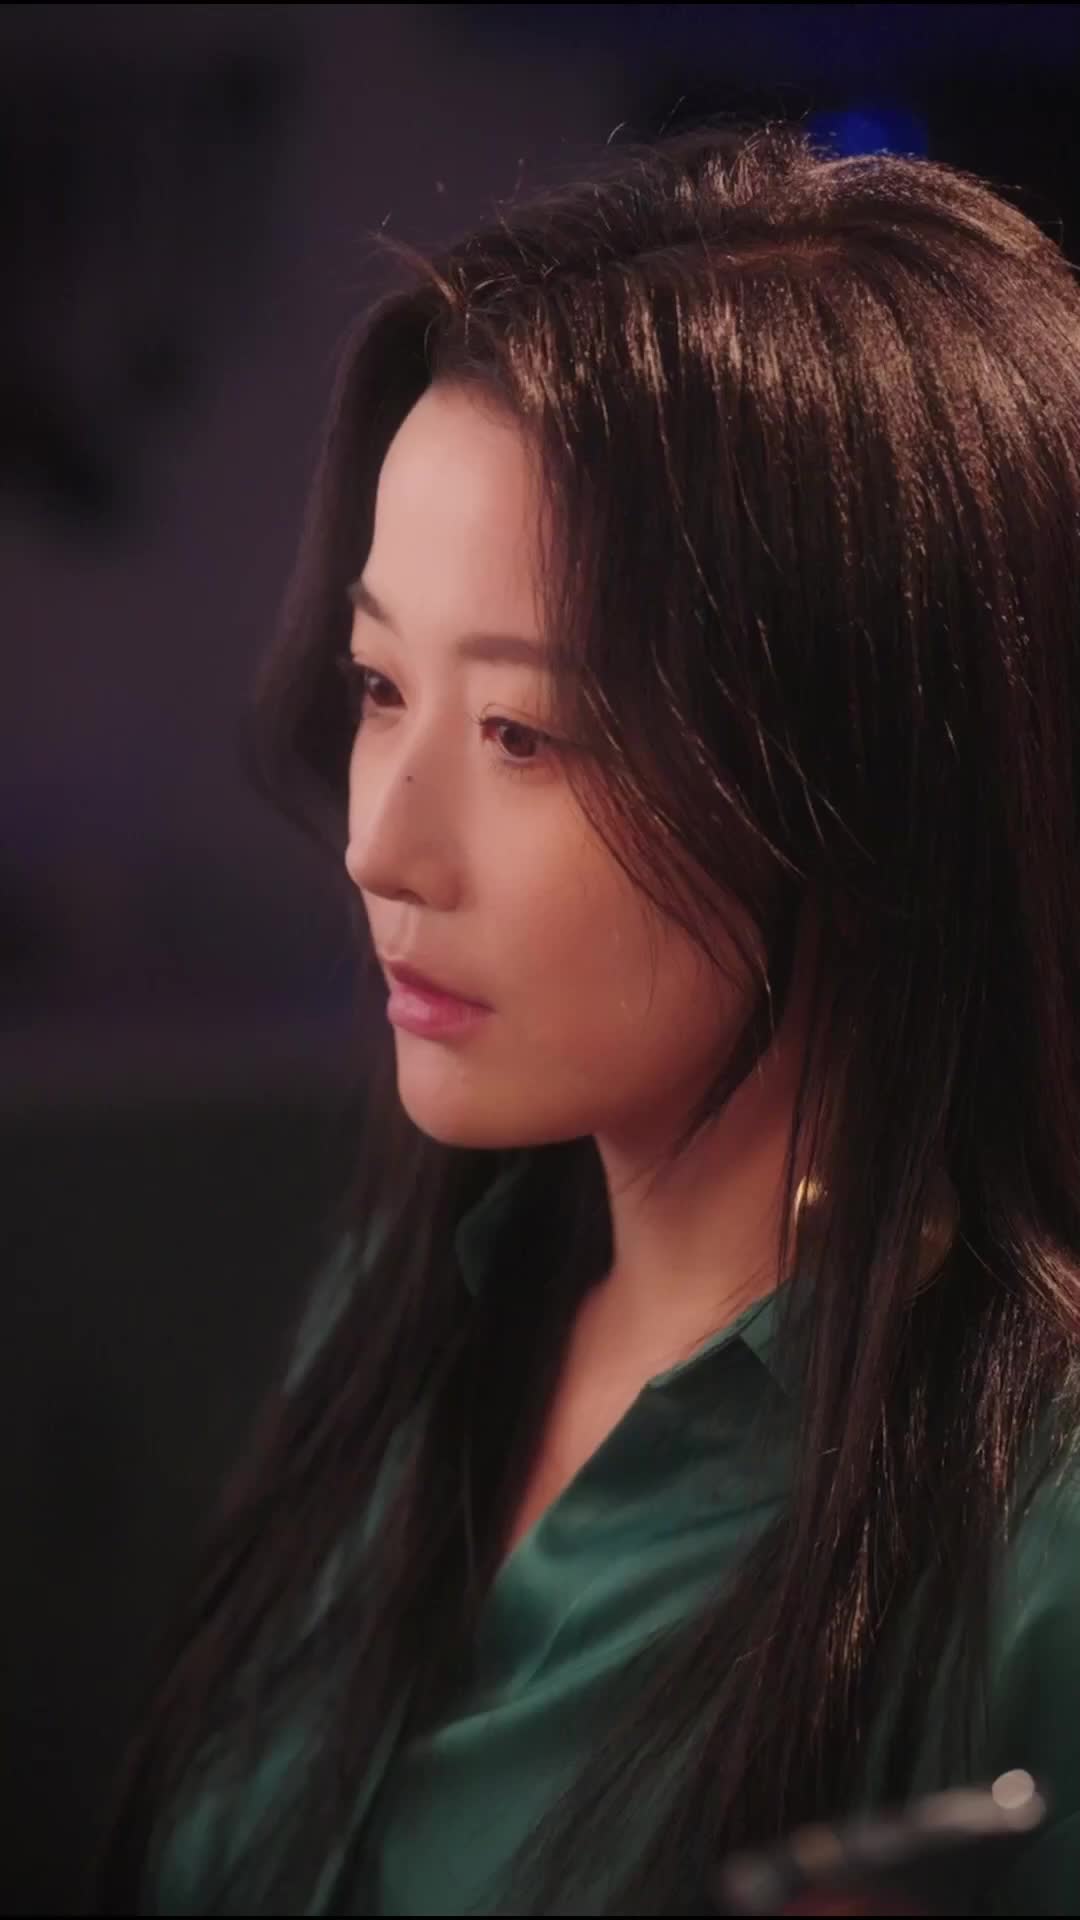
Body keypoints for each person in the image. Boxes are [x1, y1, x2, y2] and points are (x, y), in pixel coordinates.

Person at [93, 119, 1080, 1916]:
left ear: (865, 774)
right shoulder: (411, 1311)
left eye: (526, 733)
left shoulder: (1033, 1540)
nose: (381, 845)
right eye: (379, 686)